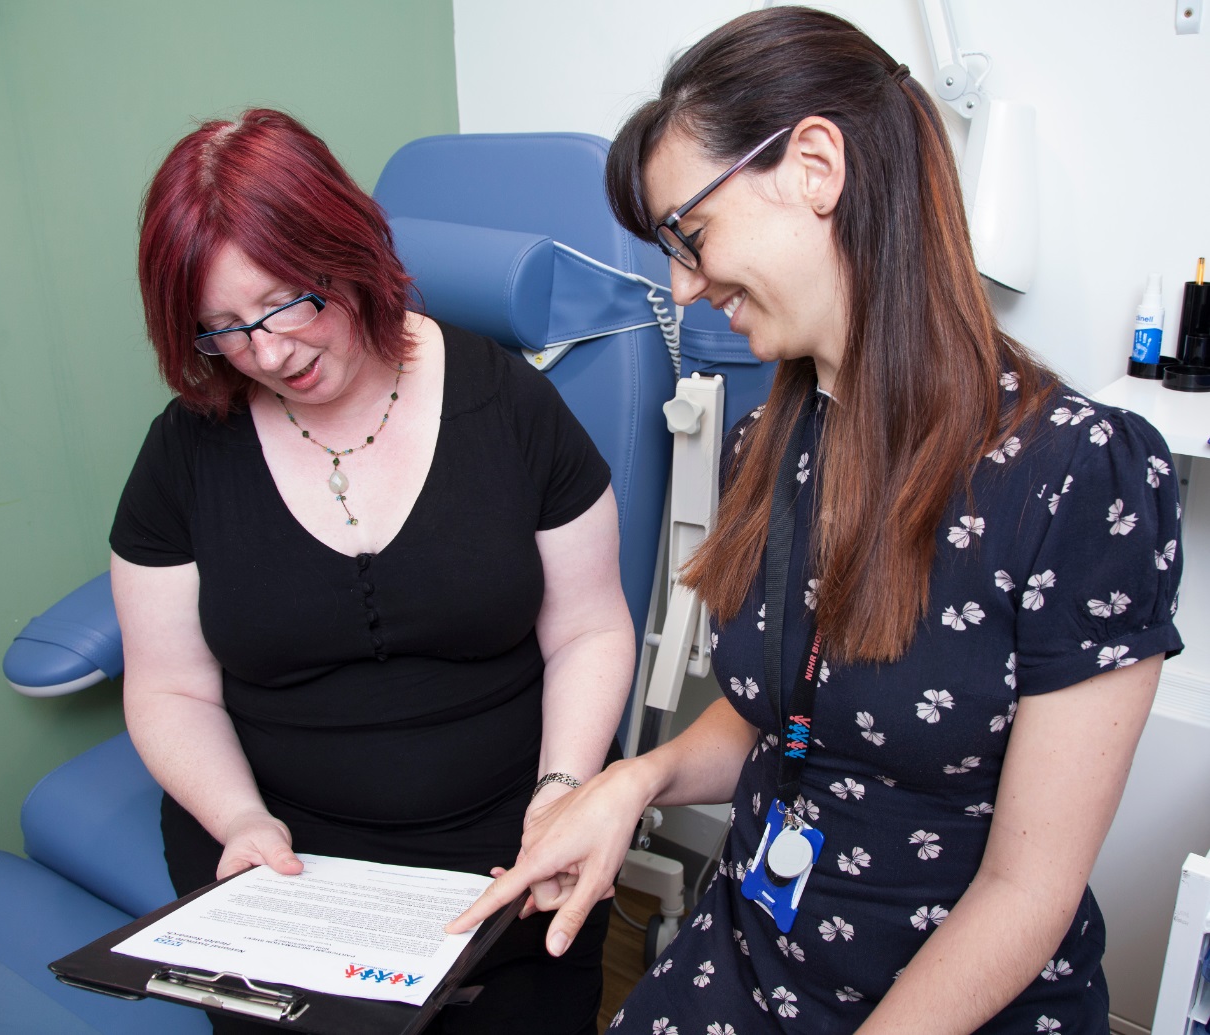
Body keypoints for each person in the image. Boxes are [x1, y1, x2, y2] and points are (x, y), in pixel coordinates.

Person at [450, 8, 1184, 1032]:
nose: (684, 286)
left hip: (953, 995)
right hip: (756, 954)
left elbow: (1029, 895)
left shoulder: (1077, 478)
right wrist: (635, 782)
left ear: (815, 165)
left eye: (690, 236)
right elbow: (770, 710)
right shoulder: (771, 441)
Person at [109, 108, 635, 1035]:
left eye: (284, 303)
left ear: (346, 251)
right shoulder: (184, 453)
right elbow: (168, 687)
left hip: (504, 839)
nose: (267, 353)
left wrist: (560, 797)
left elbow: (589, 627)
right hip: (281, 855)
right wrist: (238, 821)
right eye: (222, 328)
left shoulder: (510, 404)